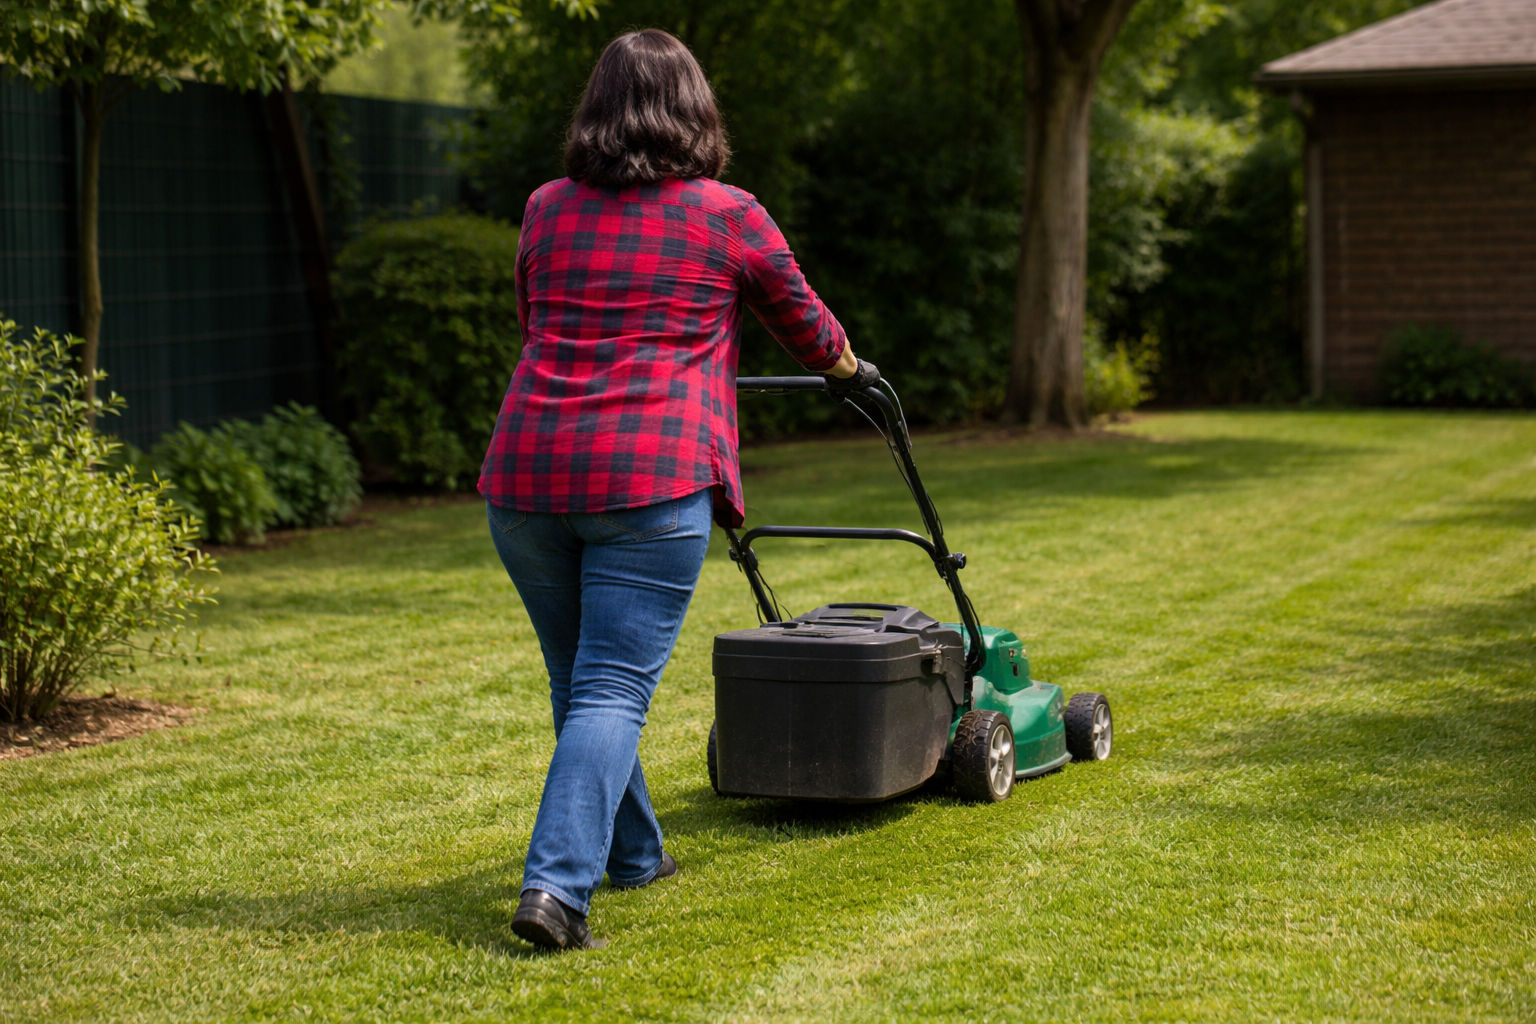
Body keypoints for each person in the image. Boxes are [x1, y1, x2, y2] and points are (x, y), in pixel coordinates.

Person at [479, 28, 878, 951]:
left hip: (527, 477)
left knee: (580, 682)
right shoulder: (728, 213)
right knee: (612, 687)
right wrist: (849, 369)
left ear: (596, 110)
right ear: (696, 112)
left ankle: (634, 855)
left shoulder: (546, 207)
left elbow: (535, 319)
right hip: (650, 476)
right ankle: (556, 891)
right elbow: (808, 327)